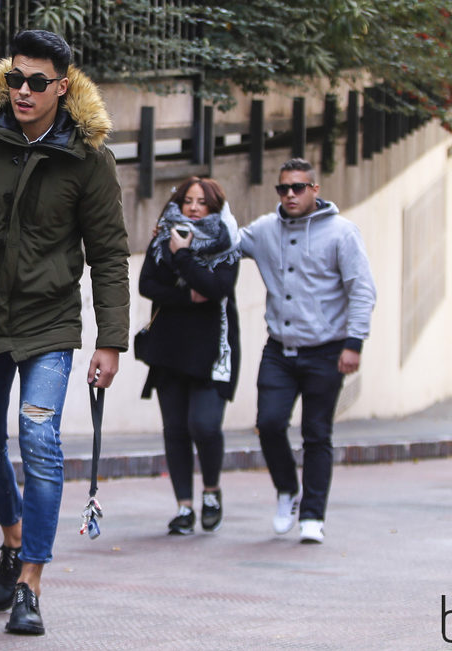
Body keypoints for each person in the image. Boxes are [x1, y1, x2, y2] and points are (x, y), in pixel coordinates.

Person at [0, 29, 129, 635]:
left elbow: (110, 253)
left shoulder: (87, 159)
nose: (23, 91)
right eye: (16, 78)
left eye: (38, 82)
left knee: (39, 436)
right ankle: (13, 536)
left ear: (64, 85)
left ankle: (31, 580)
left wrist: (111, 339)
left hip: (48, 324)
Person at [239, 158, 376, 545]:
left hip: (326, 351)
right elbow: (228, 243)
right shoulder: (266, 229)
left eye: (298, 187)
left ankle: (313, 515)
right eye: (283, 188)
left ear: (315, 189)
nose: (290, 195)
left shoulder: (342, 233)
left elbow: (362, 289)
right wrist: (185, 234)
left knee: (317, 434)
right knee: (269, 423)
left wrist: (354, 343)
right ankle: (287, 490)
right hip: (279, 350)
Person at [137, 177, 241, 535]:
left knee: (205, 425)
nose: (194, 207)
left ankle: (211, 491)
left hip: (214, 348)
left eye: (203, 202)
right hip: (170, 347)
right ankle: (184, 507)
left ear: (215, 207)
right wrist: (185, 297)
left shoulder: (227, 241)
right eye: (188, 201)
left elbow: (217, 288)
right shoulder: (162, 234)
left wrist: (182, 255)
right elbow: (146, 285)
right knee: (176, 429)